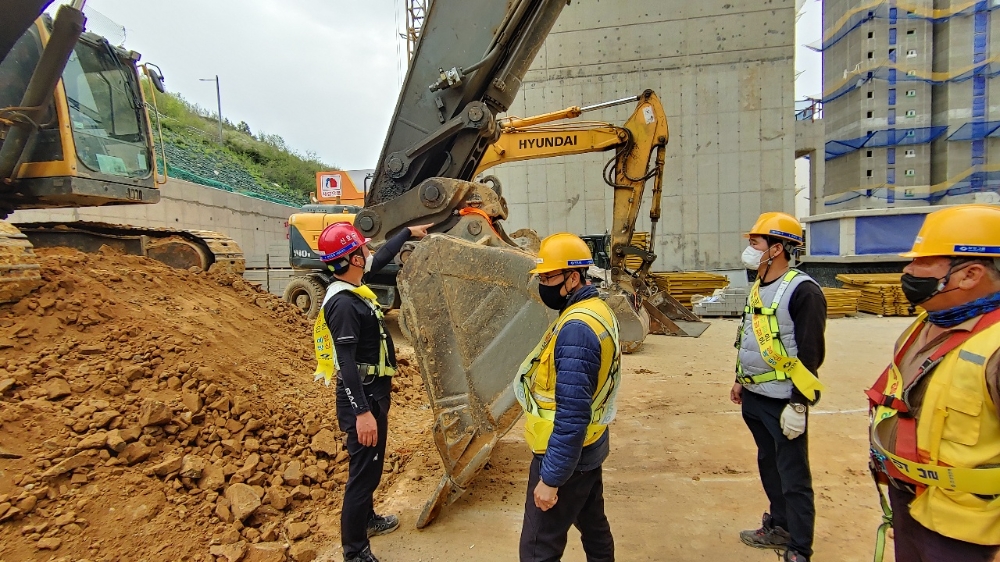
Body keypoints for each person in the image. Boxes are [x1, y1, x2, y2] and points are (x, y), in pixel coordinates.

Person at [867, 204, 1000, 562]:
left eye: (922, 262)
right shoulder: (924, 325)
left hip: (966, 530)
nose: (908, 271)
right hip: (912, 503)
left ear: (970, 274)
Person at [312, 221, 431, 562]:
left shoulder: (353, 285)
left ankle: (368, 520)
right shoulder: (344, 304)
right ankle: (355, 551)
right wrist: (362, 413)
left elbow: (381, 258)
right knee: (362, 476)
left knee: (371, 469)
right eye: (363, 248)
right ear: (354, 259)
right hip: (361, 398)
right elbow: (346, 364)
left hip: (373, 393)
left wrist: (408, 233)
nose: (369, 252)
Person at [513, 232, 620, 562]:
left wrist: (551, 478)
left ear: (573, 277)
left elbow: (572, 414)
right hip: (588, 448)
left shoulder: (576, 329)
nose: (542, 285)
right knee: (594, 527)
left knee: (537, 549)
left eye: (548, 277)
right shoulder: (594, 309)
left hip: (564, 456)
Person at [731, 212, 827, 562]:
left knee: (794, 475)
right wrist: (740, 380)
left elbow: (810, 353)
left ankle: (799, 547)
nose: (750, 248)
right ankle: (780, 525)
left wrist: (799, 405)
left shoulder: (804, 291)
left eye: (755, 241)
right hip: (755, 395)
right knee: (769, 466)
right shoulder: (759, 285)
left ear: (777, 248)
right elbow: (749, 337)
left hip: (784, 402)